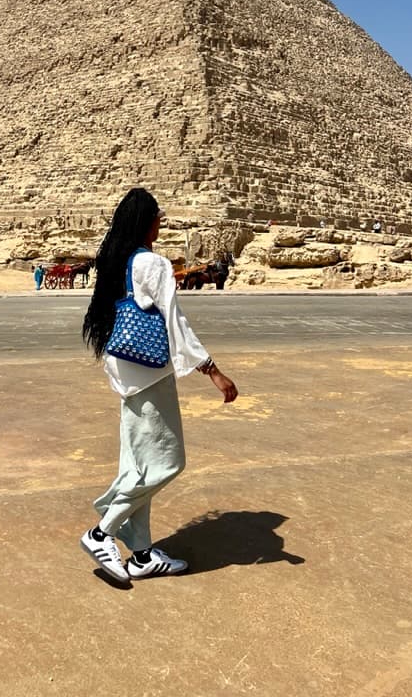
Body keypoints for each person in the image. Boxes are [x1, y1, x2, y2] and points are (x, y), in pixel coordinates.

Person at [80, 188, 238, 584]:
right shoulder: (152, 263)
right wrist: (212, 370)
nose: (161, 223)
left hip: (124, 372)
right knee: (168, 461)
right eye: (157, 217)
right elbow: (175, 322)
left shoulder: (115, 261)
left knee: (138, 464)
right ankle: (102, 532)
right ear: (146, 221)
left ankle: (143, 553)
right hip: (150, 375)